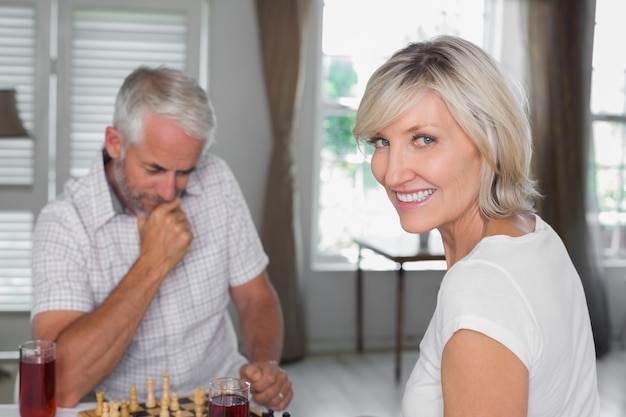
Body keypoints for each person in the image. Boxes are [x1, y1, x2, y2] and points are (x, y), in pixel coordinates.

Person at [353, 35, 600, 417]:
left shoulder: (481, 288)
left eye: (423, 139)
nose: (393, 173)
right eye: (381, 141)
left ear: (490, 140)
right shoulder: (534, 234)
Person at [31, 66, 293, 411]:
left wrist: (264, 366)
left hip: (218, 396)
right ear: (115, 143)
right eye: (154, 169)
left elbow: (256, 298)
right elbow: (61, 383)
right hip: (120, 406)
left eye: (184, 171)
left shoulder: (217, 179)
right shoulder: (64, 222)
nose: (170, 191)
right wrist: (153, 262)